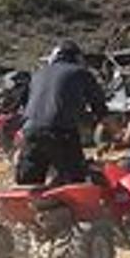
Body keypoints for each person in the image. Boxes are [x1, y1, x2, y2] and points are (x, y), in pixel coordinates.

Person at [16, 41, 109, 186]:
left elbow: (24, 102)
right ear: (77, 58)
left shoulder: (37, 74)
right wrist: (103, 125)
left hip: (30, 131)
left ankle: (21, 206)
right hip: (61, 132)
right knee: (76, 180)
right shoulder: (81, 73)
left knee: (29, 183)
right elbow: (99, 105)